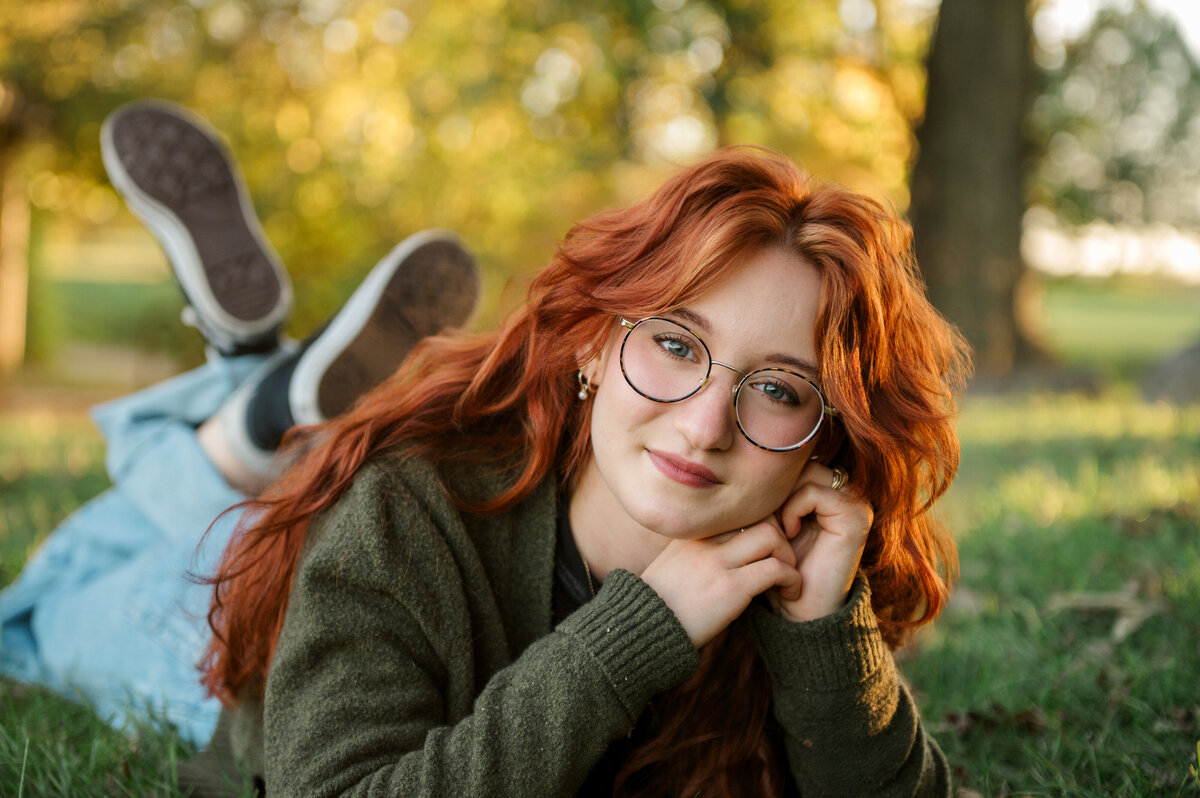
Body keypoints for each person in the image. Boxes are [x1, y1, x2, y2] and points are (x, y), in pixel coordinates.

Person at [192, 139, 972, 795]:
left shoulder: (793, 582)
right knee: (120, 553)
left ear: (826, 440)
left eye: (776, 389)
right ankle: (243, 403)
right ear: (597, 345)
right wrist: (639, 631)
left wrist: (828, 635)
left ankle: (252, 391)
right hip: (199, 641)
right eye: (674, 344)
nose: (704, 428)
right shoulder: (405, 510)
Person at [0, 100, 479, 747]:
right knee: (55, 598)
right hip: (267, 622)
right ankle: (256, 398)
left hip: (256, 638)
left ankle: (253, 392)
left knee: (49, 605)